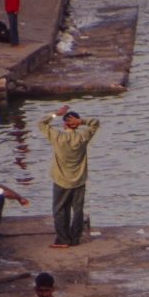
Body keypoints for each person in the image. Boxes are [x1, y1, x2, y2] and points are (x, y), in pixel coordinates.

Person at [38, 104, 100, 248]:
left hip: (61, 179)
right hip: (79, 180)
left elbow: (41, 123)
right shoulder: (82, 137)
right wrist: (82, 121)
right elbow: (95, 123)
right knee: (77, 210)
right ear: (76, 124)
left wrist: (56, 113)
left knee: (60, 209)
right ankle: (75, 238)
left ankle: (62, 239)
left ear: (64, 123)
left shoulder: (57, 137)